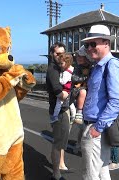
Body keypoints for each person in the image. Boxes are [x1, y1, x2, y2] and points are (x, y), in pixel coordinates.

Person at [80, 24, 119, 180]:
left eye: (93, 44)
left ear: (106, 43)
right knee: (102, 171)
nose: (89, 48)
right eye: (87, 44)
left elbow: (118, 101)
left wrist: (97, 127)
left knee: (90, 175)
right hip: (97, 126)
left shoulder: (112, 65)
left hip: (96, 126)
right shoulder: (98, 66)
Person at [46, 42, 71, 180]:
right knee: (58, 142)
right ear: (52, 54)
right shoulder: (53, 70)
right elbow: (58, 91)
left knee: (61, 141)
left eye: (62, 53)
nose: (60, 56)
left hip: (63, 109)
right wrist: (70, 91)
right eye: (57, 53)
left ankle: (59, 167)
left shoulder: (62, 68)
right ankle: (56, 174)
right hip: (58, 111)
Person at [70, 46, 94, 153]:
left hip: (90, 95)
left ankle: (81, 143)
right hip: (79, 91)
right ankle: (79, 143)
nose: (78, 58)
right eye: (77, 57)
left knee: (86, 124)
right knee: (82, 124)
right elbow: (74, 78)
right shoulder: (77, 67)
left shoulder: (93, 67)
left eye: (81, 57)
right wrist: (85, 78)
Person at [51, 53, 76, 125]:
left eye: (61, 63)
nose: (60, 65)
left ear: (67, 63)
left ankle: (55, 116)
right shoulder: (72, 69)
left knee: (59, 103)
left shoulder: (66, 72)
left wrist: (59, 77)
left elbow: (62, 81)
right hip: (70, 89)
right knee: (71, 104)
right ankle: (74, 116)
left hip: (65, 90)